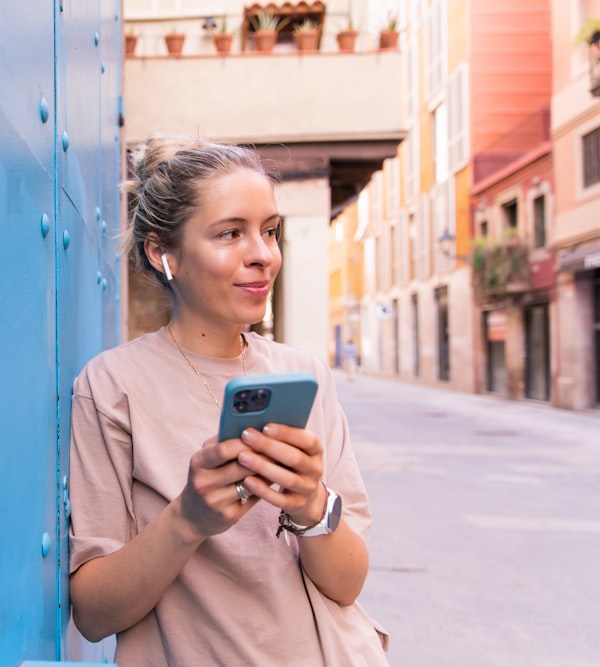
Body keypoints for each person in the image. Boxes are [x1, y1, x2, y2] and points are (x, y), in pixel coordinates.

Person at [68, 136, 389, 665]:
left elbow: (347, 584)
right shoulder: (112, 387)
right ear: (162, 253)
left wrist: (311, 506)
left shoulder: (303, 376)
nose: (262, 255)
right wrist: (187, 519)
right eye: (230, 234)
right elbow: (95, 613)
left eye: (269, 231)